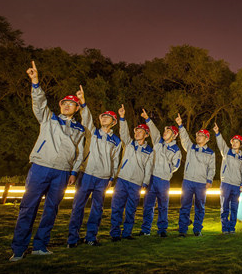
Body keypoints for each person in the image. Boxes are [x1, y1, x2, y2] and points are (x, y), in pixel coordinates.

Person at [10, 61, 85, 261]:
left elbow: (79, 152)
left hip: (62, 172)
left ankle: (40, 246)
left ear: (77, 108)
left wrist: (73, 172)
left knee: (51, 210)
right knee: (28, 207)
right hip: (41, 168)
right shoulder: (49, 118)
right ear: (60, 105)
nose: (67, 105)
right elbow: (39, 102)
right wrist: (35, 82)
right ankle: (19, 249)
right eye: (64, 102)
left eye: (72, 103)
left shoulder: (79, 129)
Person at [66, 86, 121, 247]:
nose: (104, 118)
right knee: (78, 207)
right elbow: (87, 118)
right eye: (103, 116)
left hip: (103, 178)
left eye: (108, 117)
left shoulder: (116, 141)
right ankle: (72, 239)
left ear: (114, 122)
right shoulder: (92, 132)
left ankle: (91, 237)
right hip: (87, 174)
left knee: (97, 209)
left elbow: (115, 160)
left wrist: (112, 177)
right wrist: (83, 103)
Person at [110, 104, 154, 241]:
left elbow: (149, 168)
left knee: (131, 209)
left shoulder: (149, 151)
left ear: (146, 135)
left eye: (141, 131)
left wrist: (145, 183)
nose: (137, 133)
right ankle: (115, 234)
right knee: (117, 207)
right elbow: (123, 132)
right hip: (122, 180)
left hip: (136, 183)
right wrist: (122, 118)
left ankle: (127, 233)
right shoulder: (129, 144)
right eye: (136, 131)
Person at [139, 109, 182, 237]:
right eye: (165, 131)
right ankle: (145, 230)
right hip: (152, 178)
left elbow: (176, 165)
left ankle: (162, 230)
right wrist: (147, 118)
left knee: (163, 206)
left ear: (174, 135)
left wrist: (166, 170)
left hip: (163, 180)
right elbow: (153, 129)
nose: (165, 132)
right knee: (148, 205)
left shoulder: (176, 149)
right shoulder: (158, 141)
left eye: (168, 131)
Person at [176, 114, 215, 237]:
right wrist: (180, 125)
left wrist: (209, 180)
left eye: (201, 135)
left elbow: (212, 168)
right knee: (185, 206)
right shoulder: (191, 147)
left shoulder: (210, 153)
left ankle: (197, 229)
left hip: (201, 183)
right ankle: (182, 230)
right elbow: (184, 138)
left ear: (207, 139)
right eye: (198, 135)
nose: (198, 137)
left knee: (200, 207)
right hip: (188, 181)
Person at [213, 123, 242, 234]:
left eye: (237, 142)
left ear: (241, 144)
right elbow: (221, 143)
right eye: (233, 141)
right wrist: (217, 133)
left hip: (236, 186)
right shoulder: (226, 152)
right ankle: (225, 228)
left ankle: (232, 228)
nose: (234, 143)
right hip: (226, 184)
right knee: (224, 207)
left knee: (234, 208)